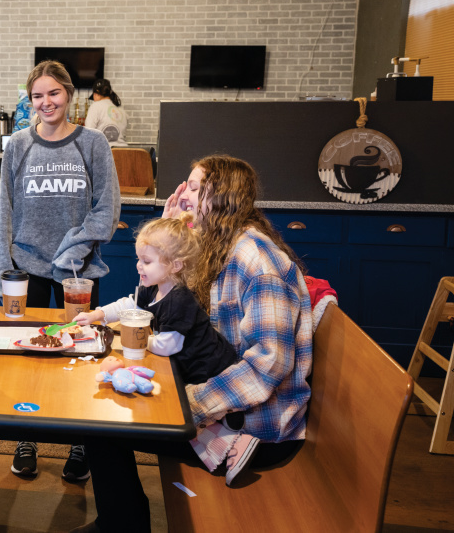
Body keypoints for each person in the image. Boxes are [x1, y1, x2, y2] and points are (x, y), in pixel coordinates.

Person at [71, 155, 313, 533]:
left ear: (224, 199)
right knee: (105, 409)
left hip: (254, 429)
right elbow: (163, 301)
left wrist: (190, 404)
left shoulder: (258, 261)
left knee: (103, 424)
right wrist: (171, 232)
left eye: (195, 189)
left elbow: (269, 365)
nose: (182, 195)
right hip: (225, 402)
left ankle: (121, 526)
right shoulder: (216, 245)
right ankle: (123, 521)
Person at [0, 60, 121, 482]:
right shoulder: (19, 144)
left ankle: (81, 443)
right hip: (27, 271)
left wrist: (71, 251)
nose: (45, 103)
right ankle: (27, 438)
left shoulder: (93, 143)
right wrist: (0, 273)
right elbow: (4, 211)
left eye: (53, 94)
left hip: (78, 276)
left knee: (81, 356)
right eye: (37, 96)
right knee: (29, 359)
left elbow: (107, 210)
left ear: (69, 95)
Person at [75, 212, 260, 485]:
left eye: (147, 261)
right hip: (189, 367)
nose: (139, 266)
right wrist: (97, 314)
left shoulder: (179, 300)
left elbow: (167, 346)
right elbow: (129, 304)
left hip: (210, 370)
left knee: (181, 419)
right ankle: (227, 440)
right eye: (139, 259)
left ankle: (233, 438)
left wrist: (133, 339)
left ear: (175, 265)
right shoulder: (155, 287)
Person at [84, 78, 128, 147]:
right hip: (123, 152)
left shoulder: (95, 106)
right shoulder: (121, 109)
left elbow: (88, 133)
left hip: (104, 152)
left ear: (96, 94)